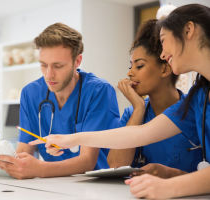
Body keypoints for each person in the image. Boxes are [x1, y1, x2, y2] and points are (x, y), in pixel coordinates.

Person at [31, 4, 210, 199]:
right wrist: (70, 139)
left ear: (189, 30)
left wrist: (170, 186)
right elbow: (142, 133)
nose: (163, 54)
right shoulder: (199, 97)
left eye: (164, 41)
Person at [0, 23, 120, 179]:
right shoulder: (30, 93)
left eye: (58, 66)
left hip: (96, 185)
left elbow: (87, 161)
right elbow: (25, 150)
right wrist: (11, 163)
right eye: (43, 65)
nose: (49, 75)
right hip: (53, 185)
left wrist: (40, 169)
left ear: (77, 61)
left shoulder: (99, 92)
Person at [107, 19, 202, 178]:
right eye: (130, 66)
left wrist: (171, 175)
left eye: (139, 66)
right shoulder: (132, 114)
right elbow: (115, 165)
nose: (130, 73)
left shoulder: (195, 111)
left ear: (165, 69)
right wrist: (138, 109)